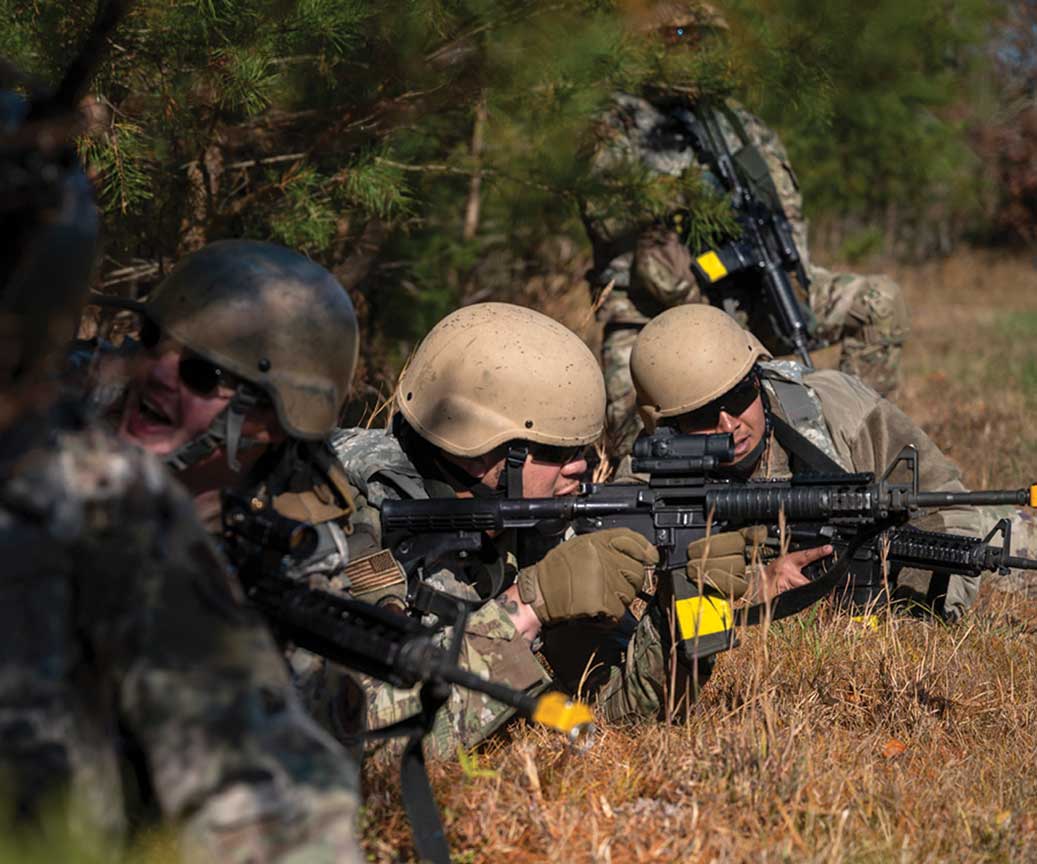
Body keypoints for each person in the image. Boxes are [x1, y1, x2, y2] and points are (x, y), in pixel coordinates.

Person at [0, 94, 364, 862]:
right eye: (153, 342)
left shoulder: (306, 543)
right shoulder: (56, 433)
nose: (157, 374)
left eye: (202, 374)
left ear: (265, 421)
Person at [583, 1, 910, 460]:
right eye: (679, 37)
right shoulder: (621, 120)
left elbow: (784, 216)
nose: (695, 50)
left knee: (877, 302)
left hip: (759, 292)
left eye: (707, 39)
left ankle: (855, 444)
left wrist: (787, 285)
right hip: (655, 316)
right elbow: (607, 212)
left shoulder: (738, 123)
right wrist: (681, 200)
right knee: (637, 456)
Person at [629, 303, 1037, 621]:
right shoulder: (650, 480)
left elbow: (947, 508)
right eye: (702, 415)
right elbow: (643, 587)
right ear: (665, 425)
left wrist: (912, 614)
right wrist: (756, 586)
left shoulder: (837, 408)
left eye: (738, 396)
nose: (728, 423)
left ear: (758, 378)